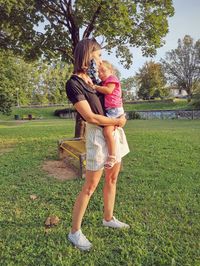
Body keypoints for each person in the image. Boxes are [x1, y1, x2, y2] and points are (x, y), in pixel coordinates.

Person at [66, 38, 130, 251]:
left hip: (113, 130)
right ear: (88, 54)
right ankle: (74, 232)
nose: (101, 59)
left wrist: (122, 116)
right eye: (99, 55)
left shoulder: (95, 78)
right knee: (90, 186)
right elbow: (90, 117)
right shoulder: (74, 83)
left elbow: (113, 99)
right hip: (97, 135)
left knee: (112, 178)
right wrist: (116, 121)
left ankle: (108, 218)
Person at [92, 60, 124, 169]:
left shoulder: (112, 79)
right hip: (112, 110)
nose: (100, 73)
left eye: (103, 71)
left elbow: (109, 91)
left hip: (114, 110)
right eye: (98, 72)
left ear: (111, 70)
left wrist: (95, 87)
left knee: (107, 131)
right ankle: (113, 155)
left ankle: (112, 156)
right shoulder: (105, 81)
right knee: (108, 131)